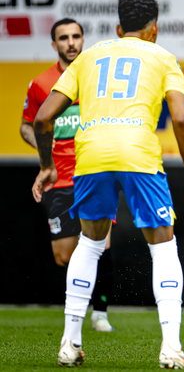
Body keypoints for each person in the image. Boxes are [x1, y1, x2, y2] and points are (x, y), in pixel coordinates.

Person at [32, 0, 184, 369]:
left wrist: (47, 165)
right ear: (154, 29)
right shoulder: (163, 57)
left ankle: (69, 342)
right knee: (162, 247)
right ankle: (171, 348)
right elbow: (181, 120)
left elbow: (42, 119)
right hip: (138, 155)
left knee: (89, 244)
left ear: (117, 28)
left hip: (90, 155)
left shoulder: (89, 56)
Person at [21, 18, 115, 333]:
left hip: (93, 170)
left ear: (83, 39)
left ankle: (99, 312)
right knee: (64, 254)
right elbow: (27, 124)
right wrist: (43, 144)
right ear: (54, 45)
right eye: (64, 38)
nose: (71, 42)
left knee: (101, 244)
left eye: (76, 36)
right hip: (58, 177)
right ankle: (81, 300)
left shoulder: (98, 78)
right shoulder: (41, 84)